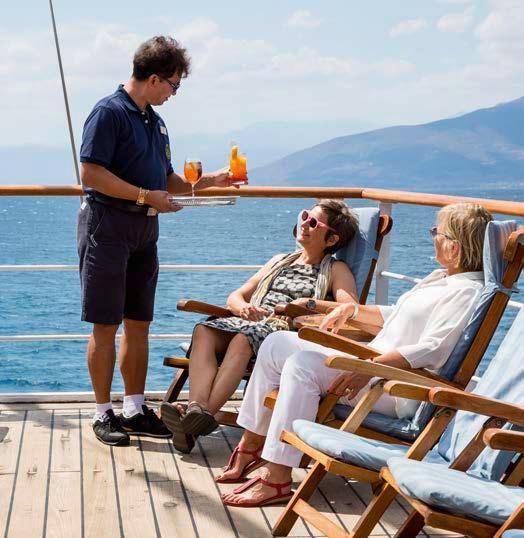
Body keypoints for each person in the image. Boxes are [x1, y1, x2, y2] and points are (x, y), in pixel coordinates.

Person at [218, 202, 493, 507]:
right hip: (373, 366)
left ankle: (277, 476)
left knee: (302, 365)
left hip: (394, 387)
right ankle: (252, 444)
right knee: (277, 342)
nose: (432, 237)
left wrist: (370, 369)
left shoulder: (466, 292)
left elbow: (431, 349)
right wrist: (351, 310)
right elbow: (395, 316)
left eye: (436, 233)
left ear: (454, 247)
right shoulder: (440, 279)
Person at [77, 36, 231, 447]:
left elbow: (165, 180)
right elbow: (90, 173)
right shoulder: (109, 113)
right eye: (174, 85)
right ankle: (102, 413)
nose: (174, 94)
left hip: (145, 232)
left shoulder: (154, 120)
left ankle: (133, 408)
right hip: (107, 228)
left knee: (139, 324)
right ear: (155, 77)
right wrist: (147, 197)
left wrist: (208, 182)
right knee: (106, 325)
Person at [161, 199, 360, 453]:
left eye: (313, 222)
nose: (304, 224)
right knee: (204, 330)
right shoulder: (280, 260)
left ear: (331, 240)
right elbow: (236, 295)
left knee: (243, 338)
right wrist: (242, 307)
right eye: (304, 216)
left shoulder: (335, 268)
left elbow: (349, 306)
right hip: (248, 321)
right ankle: (196, 410)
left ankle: (201, 415)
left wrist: (309, 304)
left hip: (283, 331)